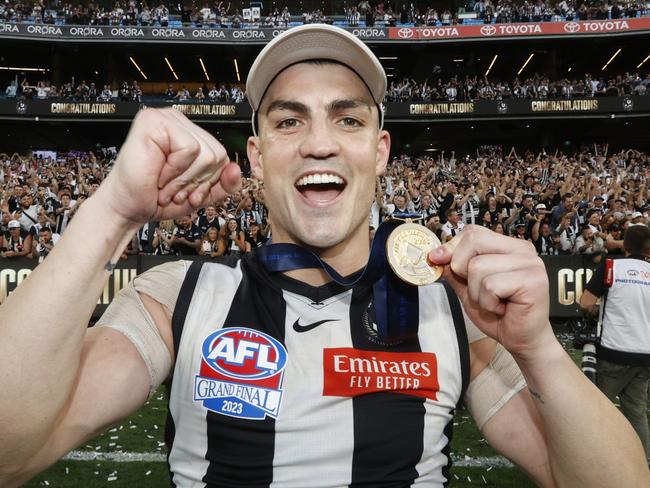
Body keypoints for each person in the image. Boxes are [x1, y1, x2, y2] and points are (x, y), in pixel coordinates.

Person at [0, 24, 648, 488]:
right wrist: (111, 211)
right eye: (287, 121)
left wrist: (537, 348)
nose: (318, 144)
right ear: (257, 157)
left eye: (347, 120)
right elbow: (10, 453)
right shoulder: (181, 295)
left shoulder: (447, 311)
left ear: (380, 151)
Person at [580, 224, 650, 461]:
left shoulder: (611, 266)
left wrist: (598, 311)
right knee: (637, 412)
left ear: (625, 244)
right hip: (645, 353)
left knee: (598, 409)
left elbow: (585, 303)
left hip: (615, 350)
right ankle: (642, 466)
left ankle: (592, 461)